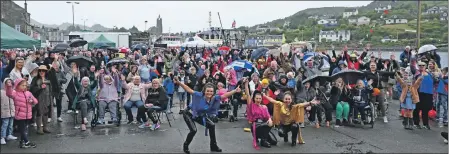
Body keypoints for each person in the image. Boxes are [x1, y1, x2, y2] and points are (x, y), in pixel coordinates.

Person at [174, 77, 240, 154]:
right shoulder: (199, 95)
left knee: (211, 125)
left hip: (199, 115)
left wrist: (235, 90)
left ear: (214, 92)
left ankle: (213, 146)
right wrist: (179, 82)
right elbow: (188, 89)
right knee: (193, 130)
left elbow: (224, 96)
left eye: (211, 91)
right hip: (189, 113)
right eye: (207, 91)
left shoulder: (214, 98)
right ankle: (186, 145)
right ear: (204, 91)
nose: (209, 93)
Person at [5, 78, 38, 148]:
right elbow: (9, 94)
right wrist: (9, 86)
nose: (24, 87)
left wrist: (32, 101)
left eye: (25, 85)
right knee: (22, 130)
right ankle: (27, 142)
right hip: (20, 115)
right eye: (22, 85)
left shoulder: (28, 93)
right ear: (17, 85)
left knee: (25, 129)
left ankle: (22, 142)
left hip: (28, 115)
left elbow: (36, 101)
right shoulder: (15, 93)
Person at [244, 79, 276, 149]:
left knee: (274, 142)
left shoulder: (264, 107)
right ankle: (263, 140)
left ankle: (264, 137)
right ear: (254, 99)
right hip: (255, 125)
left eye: (259, 98)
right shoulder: (251, 105)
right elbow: (248, 94)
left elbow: (268, 117)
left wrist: (270, 120)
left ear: (261, 99)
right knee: (266, 125)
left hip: (264, 124)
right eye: (257, 98)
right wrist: (246, 85)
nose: (258, 100)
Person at [30, 65, 53, 135]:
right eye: (40, 70)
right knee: (39, 112)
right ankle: (39, 128)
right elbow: (32, 89)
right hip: (39, 98)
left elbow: (52, 88)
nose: (41, 72)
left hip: (47, 97)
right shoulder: (35, 79)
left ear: (46, 71)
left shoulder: (48, 78)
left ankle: (45, 127)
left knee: (46, 112)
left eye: (43, 71)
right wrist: (40, 87)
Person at [414, 61, 437, 129]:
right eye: (420, 65)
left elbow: (435, 81)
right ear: (418, 66)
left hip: (429, 94)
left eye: (423, 65)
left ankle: (425, 124)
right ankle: (416, 123)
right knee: (417, 109)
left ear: (425, 66)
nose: (421, 66)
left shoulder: (430, 74)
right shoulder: (417, 73)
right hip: (419, 93)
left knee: (426, 109)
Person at [1, 78, 17, 145]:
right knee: (5, 125)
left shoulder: (13, 91)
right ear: (4, 83)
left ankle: (9, 135)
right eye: (8, 82)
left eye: (10, 82)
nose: (9, 84)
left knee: (10, 124)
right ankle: (2, 137)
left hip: (12, 111)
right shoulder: (1, 92)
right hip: (4, 111)